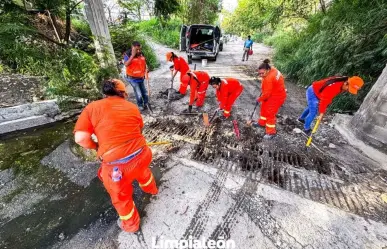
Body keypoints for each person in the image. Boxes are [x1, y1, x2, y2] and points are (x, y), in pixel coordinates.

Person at [73, 79, 158, 233]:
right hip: (143, 154)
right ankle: (151, 189)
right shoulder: (132, 106)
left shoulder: (92, 108)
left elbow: (80, 138)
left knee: (122, 198)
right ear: (123, 93)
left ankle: (131, 226)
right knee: (143, 171)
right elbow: (139, 129)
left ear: (105, 93)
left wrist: (97, 146)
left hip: (118, 168)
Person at [298, 76, 364, 135]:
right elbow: (324, 100)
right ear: (346, 83)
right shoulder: (334, 86)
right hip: (313, 92)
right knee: (313, 111)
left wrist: (323, 109)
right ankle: (306, 129)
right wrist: (321, 114)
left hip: (319, 92)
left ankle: (301, 119)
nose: (348, 90)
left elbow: (328, 97)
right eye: (348, 88)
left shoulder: (342, 82)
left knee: (312, 107)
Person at [252, 59, 287, 139]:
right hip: (274, 92)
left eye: (262, 73)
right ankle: (262, 123)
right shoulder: (273, 69)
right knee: (264, 107)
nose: (260, 75)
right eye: (259, 73)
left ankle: (271, 132)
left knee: (270, 113)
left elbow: (266, 95)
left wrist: (259, 99)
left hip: (276, 97)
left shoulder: (268, 79)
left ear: (267, 70)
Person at [124, 41, 149, 111]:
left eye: (140, 49)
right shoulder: (127, 54)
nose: (139, 51)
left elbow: (144, 62)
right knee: (139, 93)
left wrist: (146, 68)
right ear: (132, 47)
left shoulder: (141, 53)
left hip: (141, 77)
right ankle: (140, 105)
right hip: (132, 79)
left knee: (144, 92)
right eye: (137, 49)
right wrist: (132, 55)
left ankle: (146, 103)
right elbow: (126, 64)